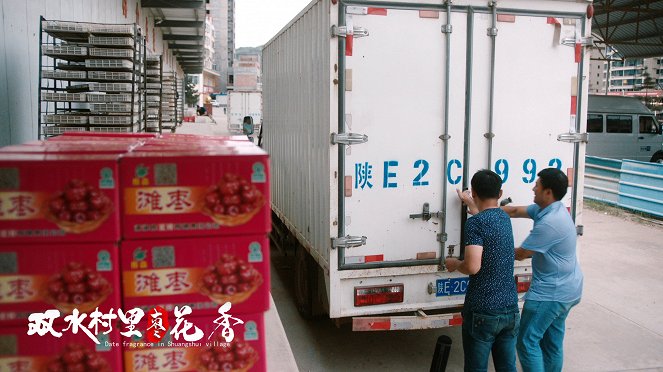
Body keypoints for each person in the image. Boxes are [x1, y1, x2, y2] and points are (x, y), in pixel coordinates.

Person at [501, 168, 583, 372]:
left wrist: (489, 249)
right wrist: (483, 209)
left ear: (548, 192)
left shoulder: (551, 222)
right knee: (551, 343)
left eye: (537, 185)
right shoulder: (548, 209)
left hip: (551, 293)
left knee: (527, 342)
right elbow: (513, 211)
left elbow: (521, 253)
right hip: (568, 290)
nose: (533, 188)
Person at [446, 169, 519, 372]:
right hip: (510, 309)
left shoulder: (475, 224)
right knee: (507, 367)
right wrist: (471, 203)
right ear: (501, 193)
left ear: (475, 192)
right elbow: (489, 221)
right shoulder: (504, 218)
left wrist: (454, 264)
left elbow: (472, 266)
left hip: (483, 311)